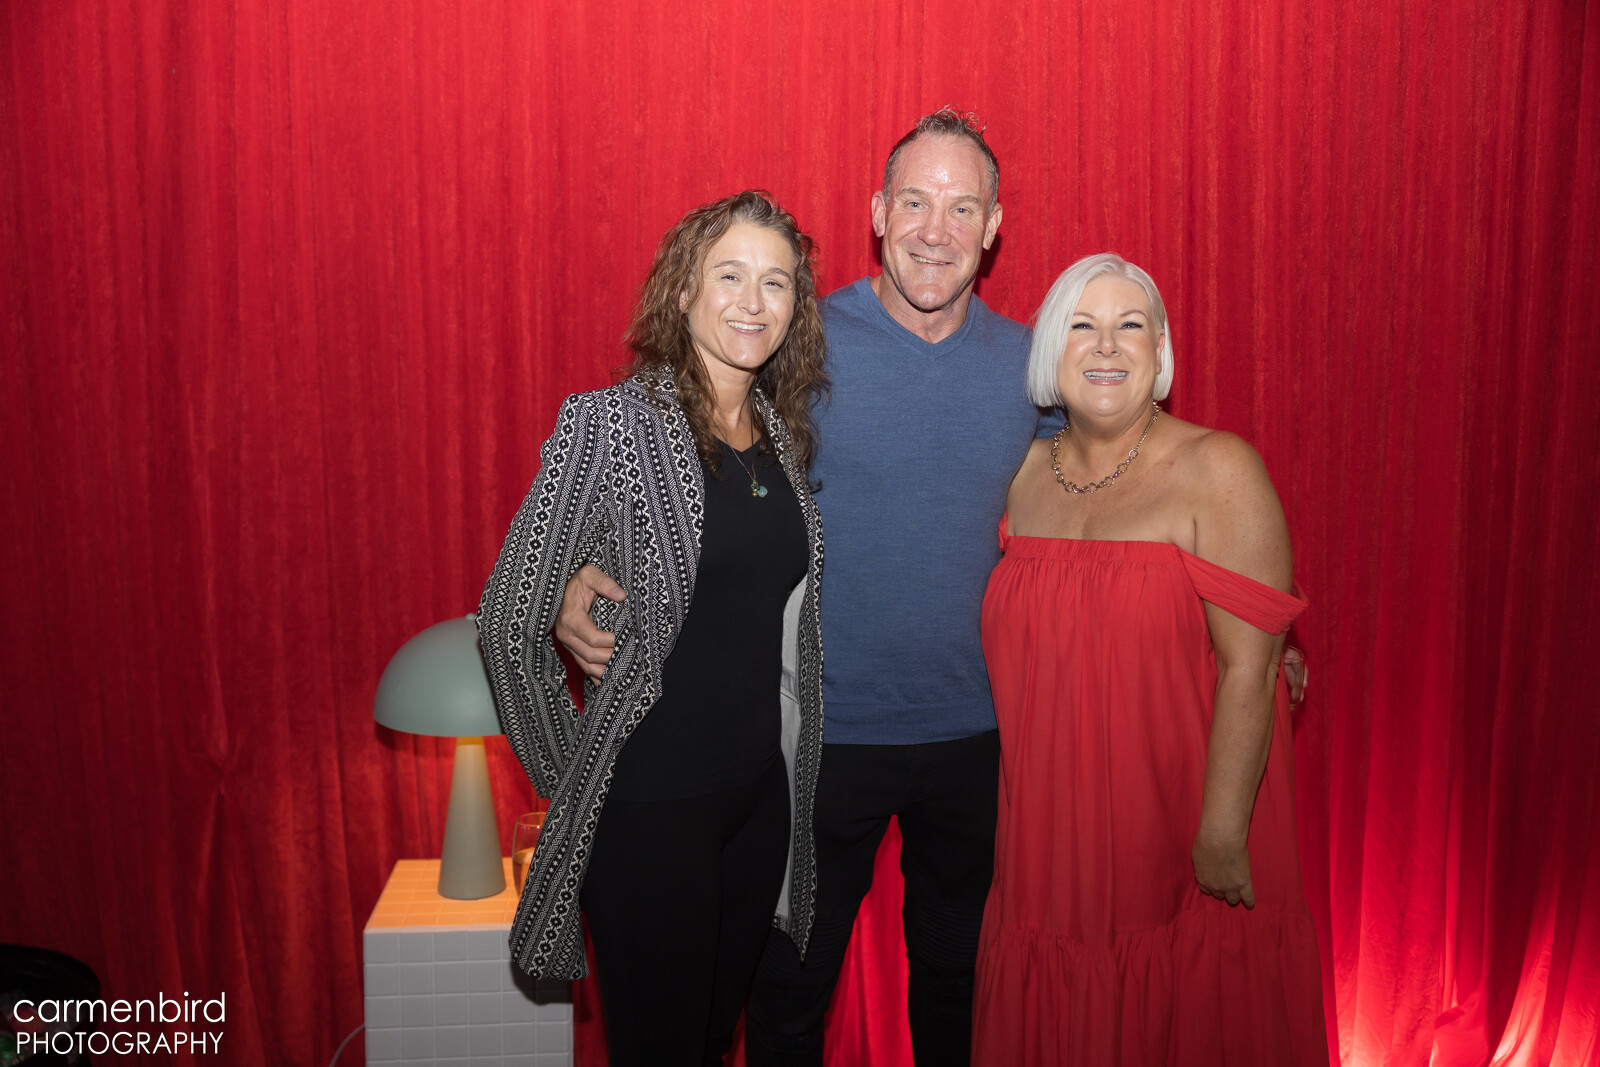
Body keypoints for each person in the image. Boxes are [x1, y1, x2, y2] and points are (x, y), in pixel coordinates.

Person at [556, 112, 1307, 1065]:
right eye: (915, 201)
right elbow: (682, 442)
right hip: (819, 740)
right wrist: (586, 568)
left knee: (961, 993)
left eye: (962, 208)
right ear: (879, 212)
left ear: (994, 227)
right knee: (787, 995)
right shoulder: (796, 340)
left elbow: (1121, 487)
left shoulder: (1034, 369)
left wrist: (1252, 636)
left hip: (983, 743)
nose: (936, 230)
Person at [476, 190, 829, 1066]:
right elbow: (508, 622)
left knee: (710, 1042)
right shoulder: (609, 425)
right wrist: (583, 784)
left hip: (758, 807)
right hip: (650, 815)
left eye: (776, 282)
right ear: (683, 290)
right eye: (730, 275)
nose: (753, 301)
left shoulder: (781, 438)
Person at [972, 253, 1328, 1065]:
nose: (1107, 346)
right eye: (1082, 326)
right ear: (1051, 352)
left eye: (1130, 325)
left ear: (1160, 349)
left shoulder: (1219, 467)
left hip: (1175, 818)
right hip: (1047, 829)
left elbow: (1251, 667)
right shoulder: (1019, 477)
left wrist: (1222, 830)